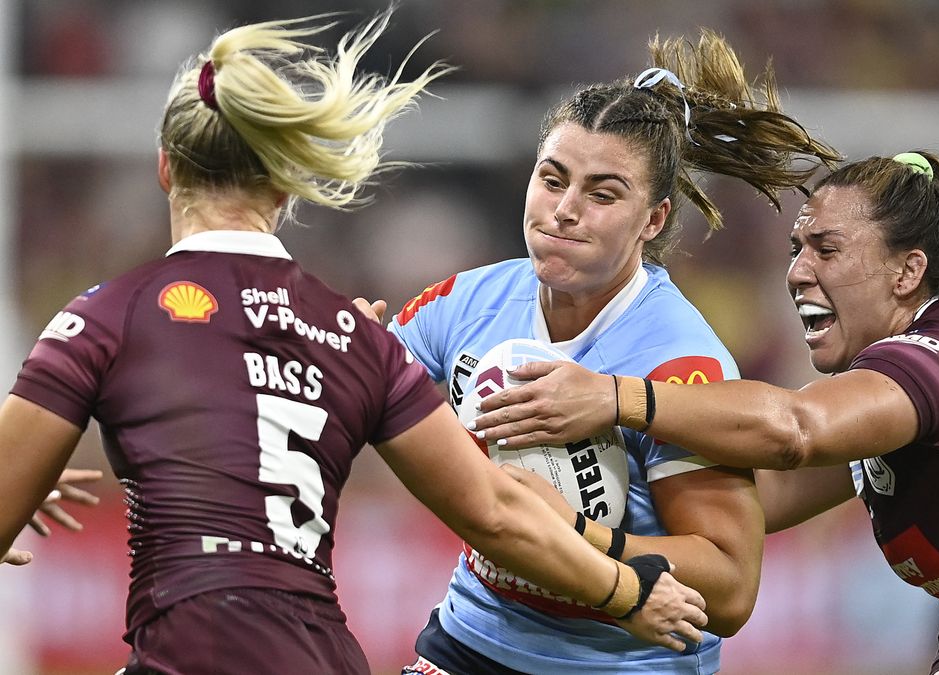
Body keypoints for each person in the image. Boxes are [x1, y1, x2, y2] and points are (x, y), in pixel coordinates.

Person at [0, 13, 708, 674]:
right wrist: (627, 591)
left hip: (190, 648)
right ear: (285, 186)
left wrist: (19, 474)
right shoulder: (353, 337)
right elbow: (494, 512)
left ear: (164, 168)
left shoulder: (103, 317)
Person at [471, 151, 939, 673]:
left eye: (825, 248)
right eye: (796, 248)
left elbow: (793, 432)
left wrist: (613, 396)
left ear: (907, 271)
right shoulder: (905, 395)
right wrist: (579, 514)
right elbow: (767, 500)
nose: (798, 270)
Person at [385, 30, 840, 675]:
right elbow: (355, 401)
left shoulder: (679, 362)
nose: (565, 211)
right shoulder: (468, 299)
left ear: (652, 221)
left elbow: (732, 591)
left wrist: (571, 541)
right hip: (471, 641)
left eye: (602, 194)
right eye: (553, 180)